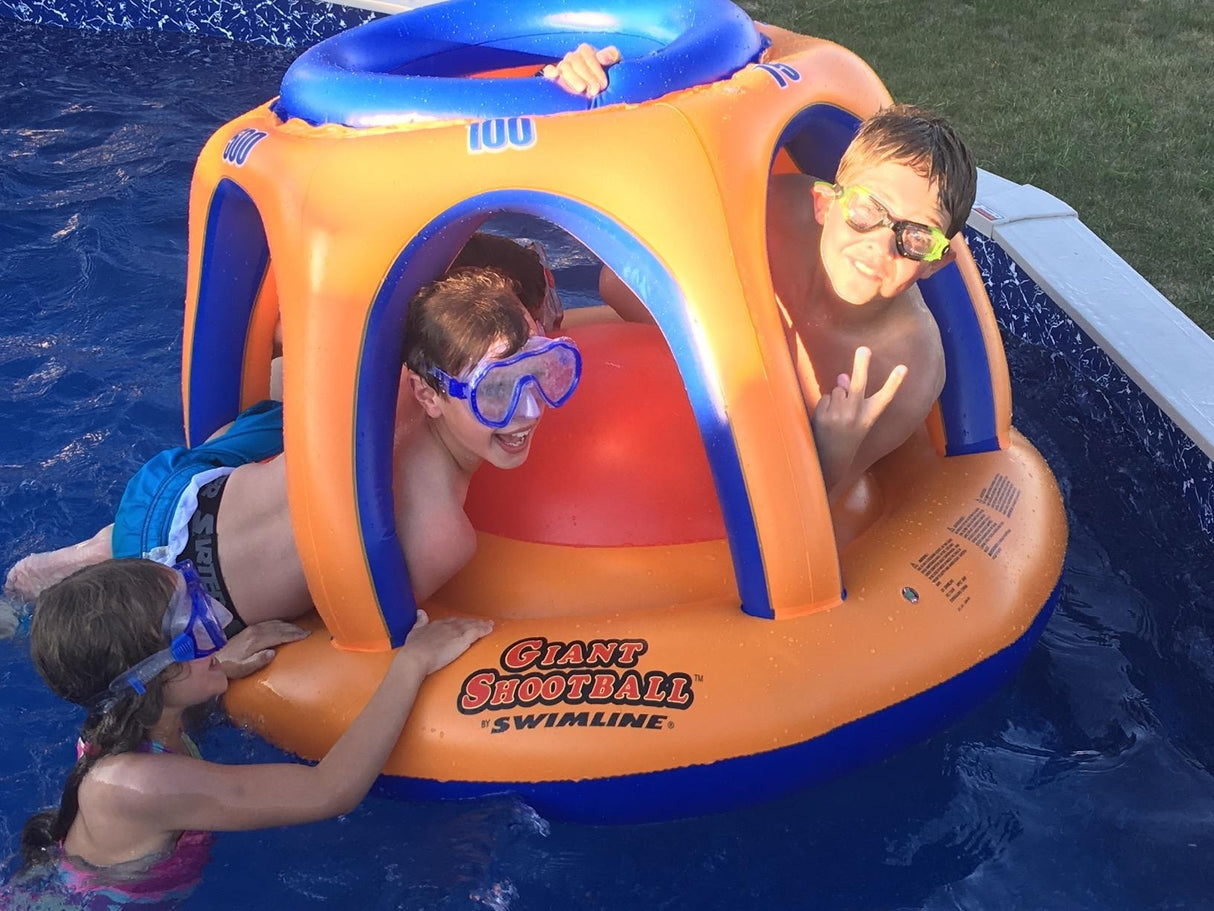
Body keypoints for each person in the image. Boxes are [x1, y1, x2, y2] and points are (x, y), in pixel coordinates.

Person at [5, 267, 582, 631]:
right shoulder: (445, 535)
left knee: (285, 408)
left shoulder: (377, 375)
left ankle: (70, 559)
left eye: (541, 374)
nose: (528, 411)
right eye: (497, 392)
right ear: (429, 395)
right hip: (189, 602)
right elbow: (346, 626)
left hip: (168, 492)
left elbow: (289, 345)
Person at [11, 557, 490, 903]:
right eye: (195, 628)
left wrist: (216, 665)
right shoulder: (138, 784)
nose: (216, 627)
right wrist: (412, 662)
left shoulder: (123, 721)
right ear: (154, 675)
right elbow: (330, 790)